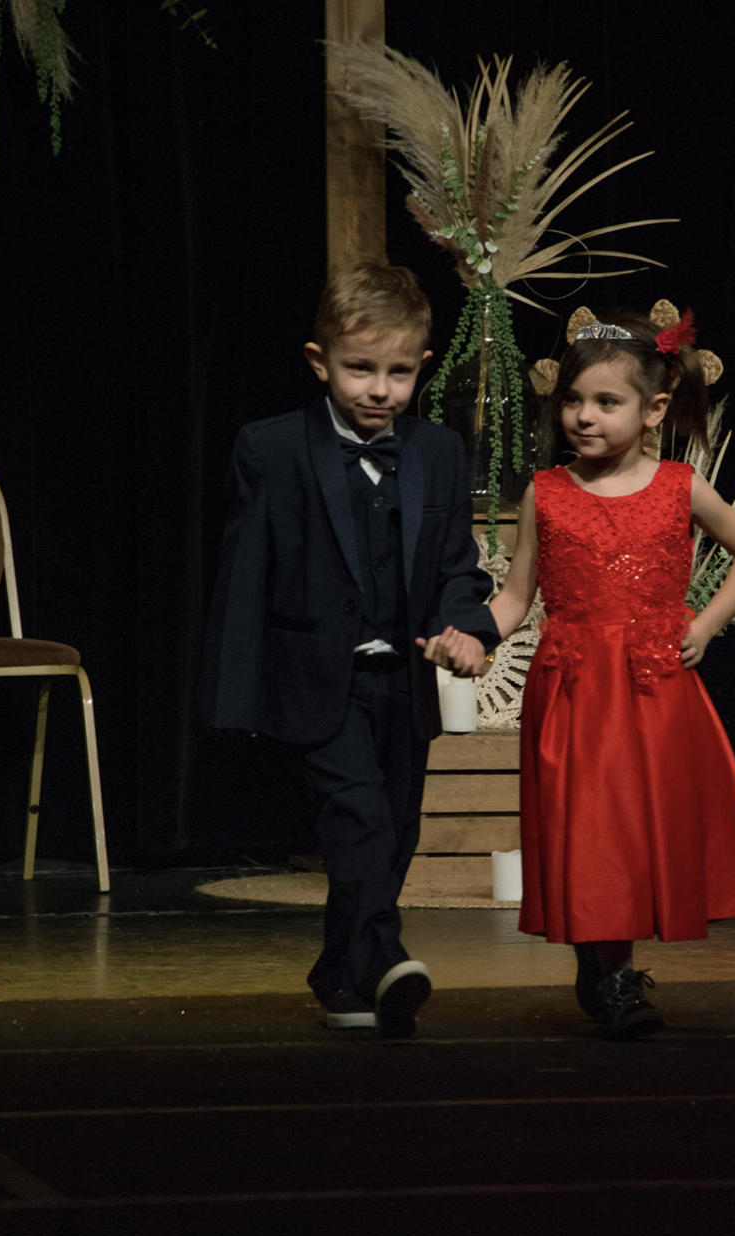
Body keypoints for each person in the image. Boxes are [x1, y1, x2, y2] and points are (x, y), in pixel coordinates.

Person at [427, 310, 735, 1039]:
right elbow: (517, 597)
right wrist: (469, 635)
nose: (583, 416)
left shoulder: (679, 487)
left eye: (605, 402)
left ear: (652, 409)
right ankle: (607, 970)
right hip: (576, 690)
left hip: (652, 686)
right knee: (591, 830)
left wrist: (702, 628)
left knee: (641, 830)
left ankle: (610, 964)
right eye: (574, 400)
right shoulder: (546, 493)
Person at [201, 263, 500, 1039]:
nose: (379, 389)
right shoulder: (270, 449)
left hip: (400, 682)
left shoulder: (434, 452)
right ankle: (390, 956)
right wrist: (236, 695)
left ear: (422, 368)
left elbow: (451, 569)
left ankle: (341, 973)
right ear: (318, 361)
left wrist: (468, 629)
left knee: (391, 833)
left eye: (398, 373)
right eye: (359, 368)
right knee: (358, 816)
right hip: (314, 679)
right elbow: (244, 578)